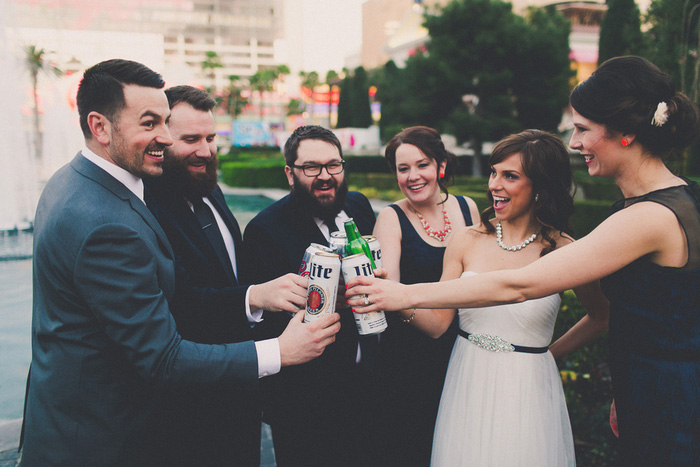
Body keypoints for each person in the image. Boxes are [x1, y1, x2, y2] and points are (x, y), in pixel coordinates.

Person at [347, 56, 700, 466]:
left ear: (625, 133)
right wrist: (626, 391)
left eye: (583, 129)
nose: (573, 142)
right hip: (650, 391)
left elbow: (520, 285)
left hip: (667, 398)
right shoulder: (659, 203)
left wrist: (402, 293)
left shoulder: (649, 216)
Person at [19, 60, 340, 467]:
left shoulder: (73, 180)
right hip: (103, 440)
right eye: (150, 123)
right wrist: (281, 350)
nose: (165, 138)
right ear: (100, 127)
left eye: (166, 123)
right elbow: (162, 358)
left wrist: (255, 296)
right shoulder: (105, 223)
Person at [142, 85, 309, 466]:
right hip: (191, 406)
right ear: (163, 139)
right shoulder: (148, 209)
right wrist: (255, 297)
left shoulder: (209, 187)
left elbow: (233, 271)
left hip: (242, 391)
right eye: (191, 139)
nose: (205, 150)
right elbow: (180, 300)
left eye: (211, 137)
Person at [243, 125, 377, 466]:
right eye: (311, 167)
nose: (325, 176)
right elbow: (266, 326)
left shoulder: (360, 207)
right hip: (306, 400)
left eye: (334, 165)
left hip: (367, 385)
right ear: (290, 173)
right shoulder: (264, 230)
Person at [372, 126, 480, 466]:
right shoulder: (391, 218)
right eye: (403, 169)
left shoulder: (468, 209)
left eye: (422, 165)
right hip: (409, 361)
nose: (413, 176)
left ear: (441, 166)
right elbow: (391, 292)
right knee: (414, 448)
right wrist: (424, 317)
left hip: (464, 352)